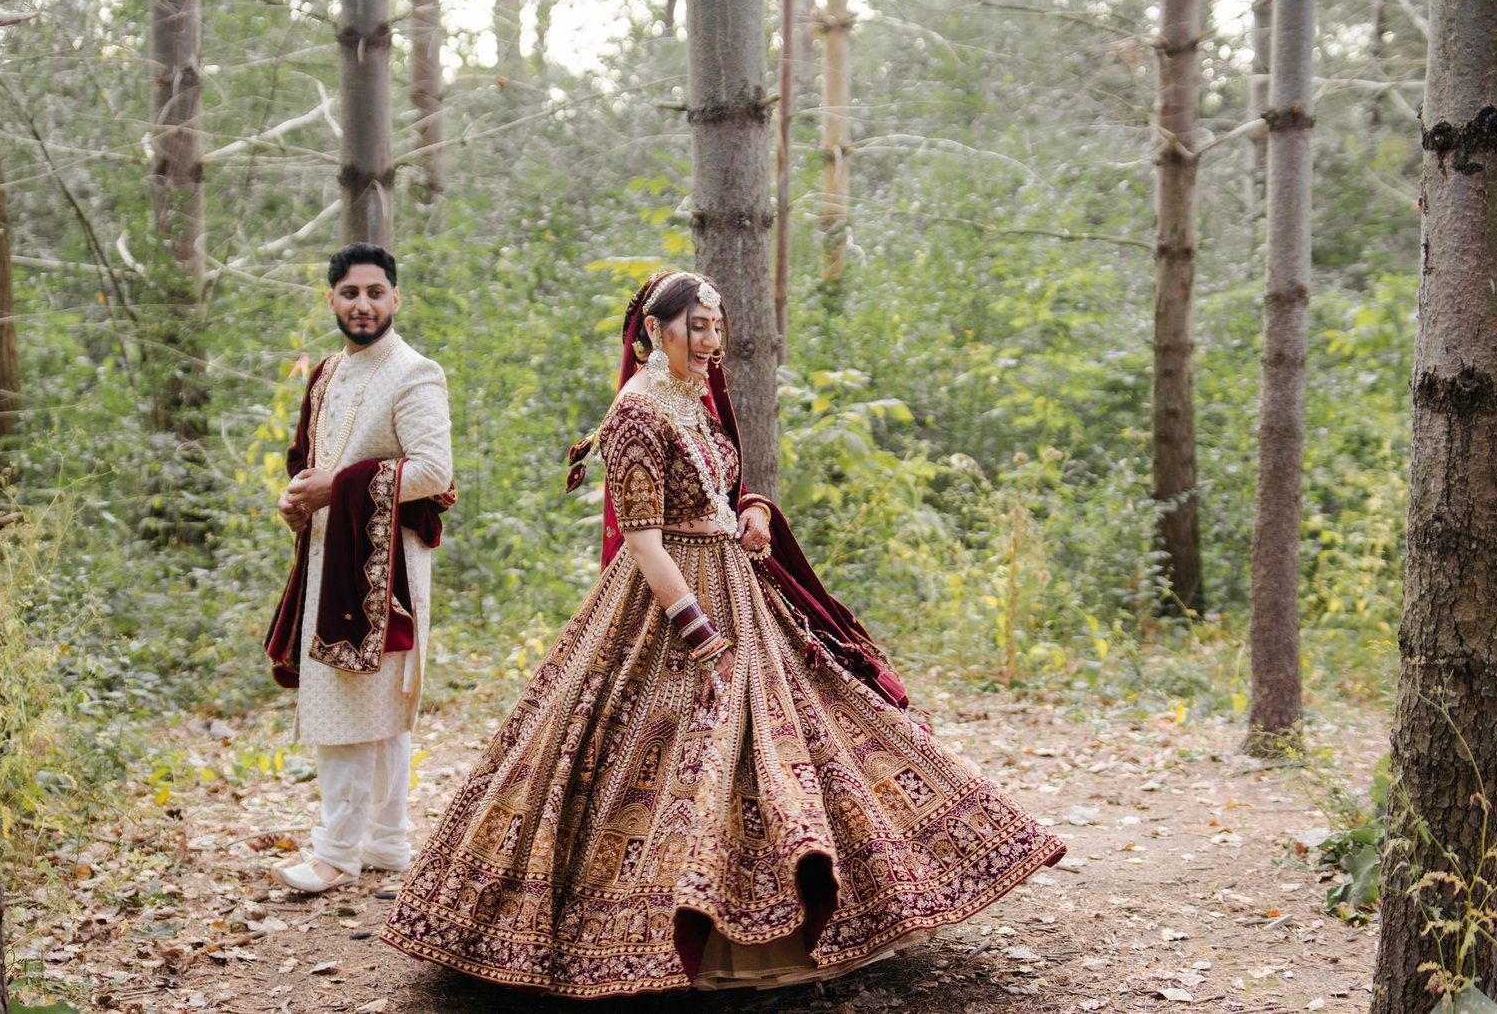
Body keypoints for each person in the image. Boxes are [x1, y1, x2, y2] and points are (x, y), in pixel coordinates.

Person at [381, 270, 1062, 994]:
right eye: (695, 326)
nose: (710, 341)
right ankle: (668, 938)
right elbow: (644, 543)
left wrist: (754, 511)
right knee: (676, 750)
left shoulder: (691, 396)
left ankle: (828, 905)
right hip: (670, 603)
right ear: (654, 330)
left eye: (716, 327)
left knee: (802, 730)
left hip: (738, 584)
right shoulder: (637, 411)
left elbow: (719, 490)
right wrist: (701, 635)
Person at [262, 242, 455, 893]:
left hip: (385, 567)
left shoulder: (414, 372)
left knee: (357, 701)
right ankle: (386, 841)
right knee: (366, 702)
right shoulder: (326, 375)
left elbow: (434, 471)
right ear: (332, 300)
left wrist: (336, 486)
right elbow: (309, 463)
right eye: (350, 293)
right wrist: (298, 498)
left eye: (375, 292)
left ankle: (335, 855)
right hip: (331, 555)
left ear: (396, 297)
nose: (363, 304)